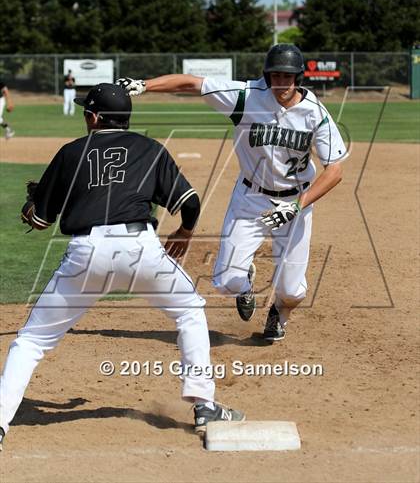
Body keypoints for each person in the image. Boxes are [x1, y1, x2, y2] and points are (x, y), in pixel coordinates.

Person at [0, 83, 244, 452]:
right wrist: (185, 232)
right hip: (141, 249)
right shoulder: (150, 149)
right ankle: (204, 405)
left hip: (87, 252)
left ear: (95, 117)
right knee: (190, 312)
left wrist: (31, 207)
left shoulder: (71, 152)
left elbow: (40, 220)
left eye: (87, 112)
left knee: (31, 341)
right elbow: (190, 202)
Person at [116, 43, 347, 343]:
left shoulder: (314, 113)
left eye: (288, 76)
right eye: (275, 76)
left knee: (293, 291)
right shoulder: (246, 96)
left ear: (299, 77)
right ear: (267, 76)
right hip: (250, 199)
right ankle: (246, 282)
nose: (281, 83)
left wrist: (296, 207)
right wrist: (144, 85)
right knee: (226, 282)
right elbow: (191, 83)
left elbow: (335, 170)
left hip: (295, 202)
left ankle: (279, 311)